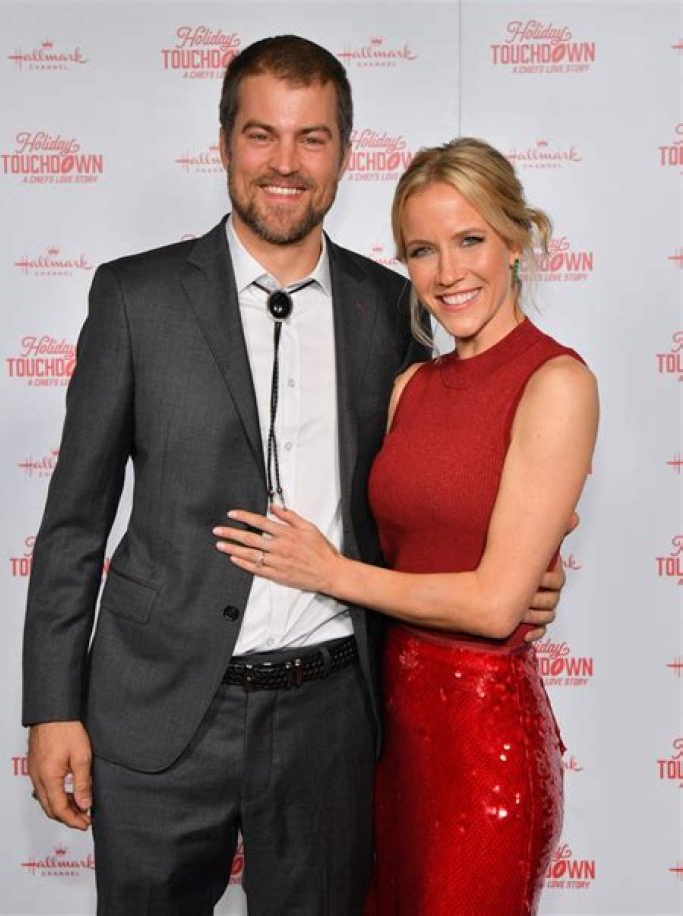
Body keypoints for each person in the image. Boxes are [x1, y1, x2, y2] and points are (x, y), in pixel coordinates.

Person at [22, 36, 564, 916]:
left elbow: (431, 484)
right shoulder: (134, 299)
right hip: (156, 712)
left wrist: (528, 570)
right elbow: (74, 523)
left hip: (330, 722)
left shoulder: (393, 307)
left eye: (312, 138)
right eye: (261, 134)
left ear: (344, 153)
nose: (285, 162)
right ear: (224, 144)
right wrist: (53, 708)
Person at [215, 138, 599, 915]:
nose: (448, 272)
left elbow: (494, 605)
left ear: (515, 240)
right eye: (423, 250)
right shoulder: (412, 385)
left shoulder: (556, 381)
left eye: (470, 240)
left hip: (482, 744)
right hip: (385, 736)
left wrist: (329, 572)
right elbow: (412, 551)